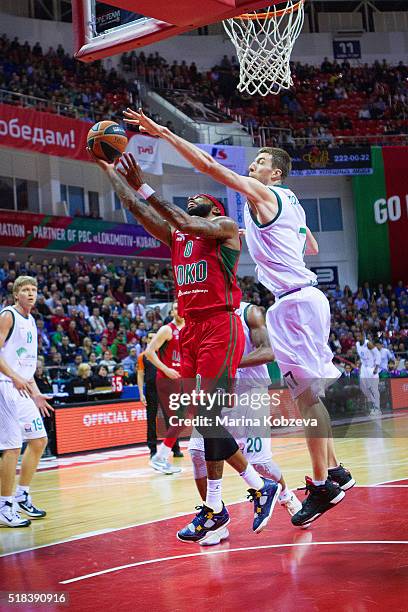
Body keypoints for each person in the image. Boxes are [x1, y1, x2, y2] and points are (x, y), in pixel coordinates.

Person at [124, 109, 355, 528]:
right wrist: (265, 236)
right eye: (252, 164)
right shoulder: (285, 206)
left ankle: (323, 484)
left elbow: (209, 165)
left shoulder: (264, 195)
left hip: (294, 303)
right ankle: (335, 471)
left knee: (306, 397)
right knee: (306, 394)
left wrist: (162, 134)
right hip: (299, 300)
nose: (252, 167)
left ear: (276, 174)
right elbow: (313, 247)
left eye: (260, 164)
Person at [89, 148, 283, 544]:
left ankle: (253, 488)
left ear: (210, 211)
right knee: (205, 422)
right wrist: (110, 171)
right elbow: (138, 209)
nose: (190, 202)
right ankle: (221, 505)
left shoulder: (224, 228)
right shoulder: (179, 236)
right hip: (192, 330)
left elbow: (177, 216)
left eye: (199, 202)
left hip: (218, 325)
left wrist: (144, 182)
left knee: (207, 418)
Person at [188, 301, 302, 545]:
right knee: (197, 452)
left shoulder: (250, 312)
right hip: (217, 392)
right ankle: (216, 519)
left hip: (250, 394)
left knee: (259, 463)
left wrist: (229, 362)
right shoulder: (203, 317)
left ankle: (285, 495)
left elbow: (269, 352)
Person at [0, 276, 53, 527]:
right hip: (5, 386)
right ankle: (4, 505)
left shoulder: (31, 320)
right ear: (16, 295)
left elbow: (24, 363)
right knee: (11, 448)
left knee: (39, 440)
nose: (31, 293)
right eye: (25, 290)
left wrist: (34, 391)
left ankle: (21, 496)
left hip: (22, 387)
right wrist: (14, 378)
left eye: (34, 289)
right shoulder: (8, 316)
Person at [145, 301, 185, 473]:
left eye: (182, 306)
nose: (179, 310)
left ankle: (161, 456)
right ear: (171, 312)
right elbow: (149, 352)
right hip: (167, 380)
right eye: (175, 308)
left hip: (184, 379)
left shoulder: (191, 328)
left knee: (183, 418)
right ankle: (160, 457)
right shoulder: (167, 329)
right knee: (179, 419)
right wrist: (165, 369)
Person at [356, 334, 381, 415]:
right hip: (364, 368)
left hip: (372, 368)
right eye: (357, 336)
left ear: (363, 337)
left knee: (374, 389)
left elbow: (378, 354)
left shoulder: (368, 344)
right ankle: (373, 405)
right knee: (364, 387)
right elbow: (361, 356)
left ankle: (377, 408)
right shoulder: (357, 344)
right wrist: (360, 363)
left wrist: (376, 368)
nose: (358, 338)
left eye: (359, 336)